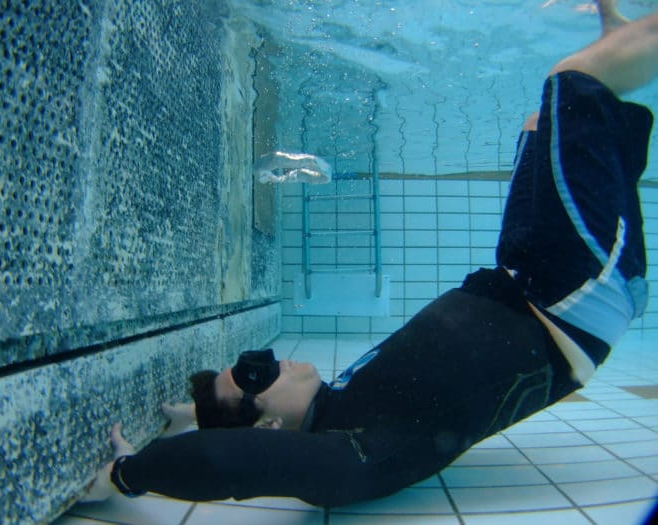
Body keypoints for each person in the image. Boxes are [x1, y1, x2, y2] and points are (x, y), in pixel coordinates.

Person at [83, 0, 657, 506]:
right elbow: (230, 463)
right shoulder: (349, 457)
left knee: (540, 126)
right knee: (575, 82)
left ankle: (625, 52)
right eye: (257, 378)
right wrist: (127, 474)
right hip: (569, 300)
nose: (275, 362)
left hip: (527, 277)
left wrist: (195, 415)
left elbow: (235, 435)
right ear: (272, 426)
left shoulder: (333, 408)